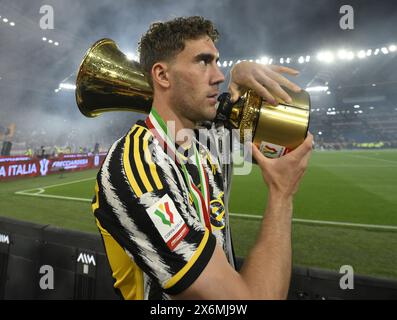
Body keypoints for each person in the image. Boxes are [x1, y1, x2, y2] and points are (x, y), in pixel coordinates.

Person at [92, 16, 313, 300]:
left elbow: (295, 133)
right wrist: (282, 195)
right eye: (203, 62)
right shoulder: (135, 167)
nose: (219, 76)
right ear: (162, 76)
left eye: (217, 62)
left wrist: (244, 74)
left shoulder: (205, 137)